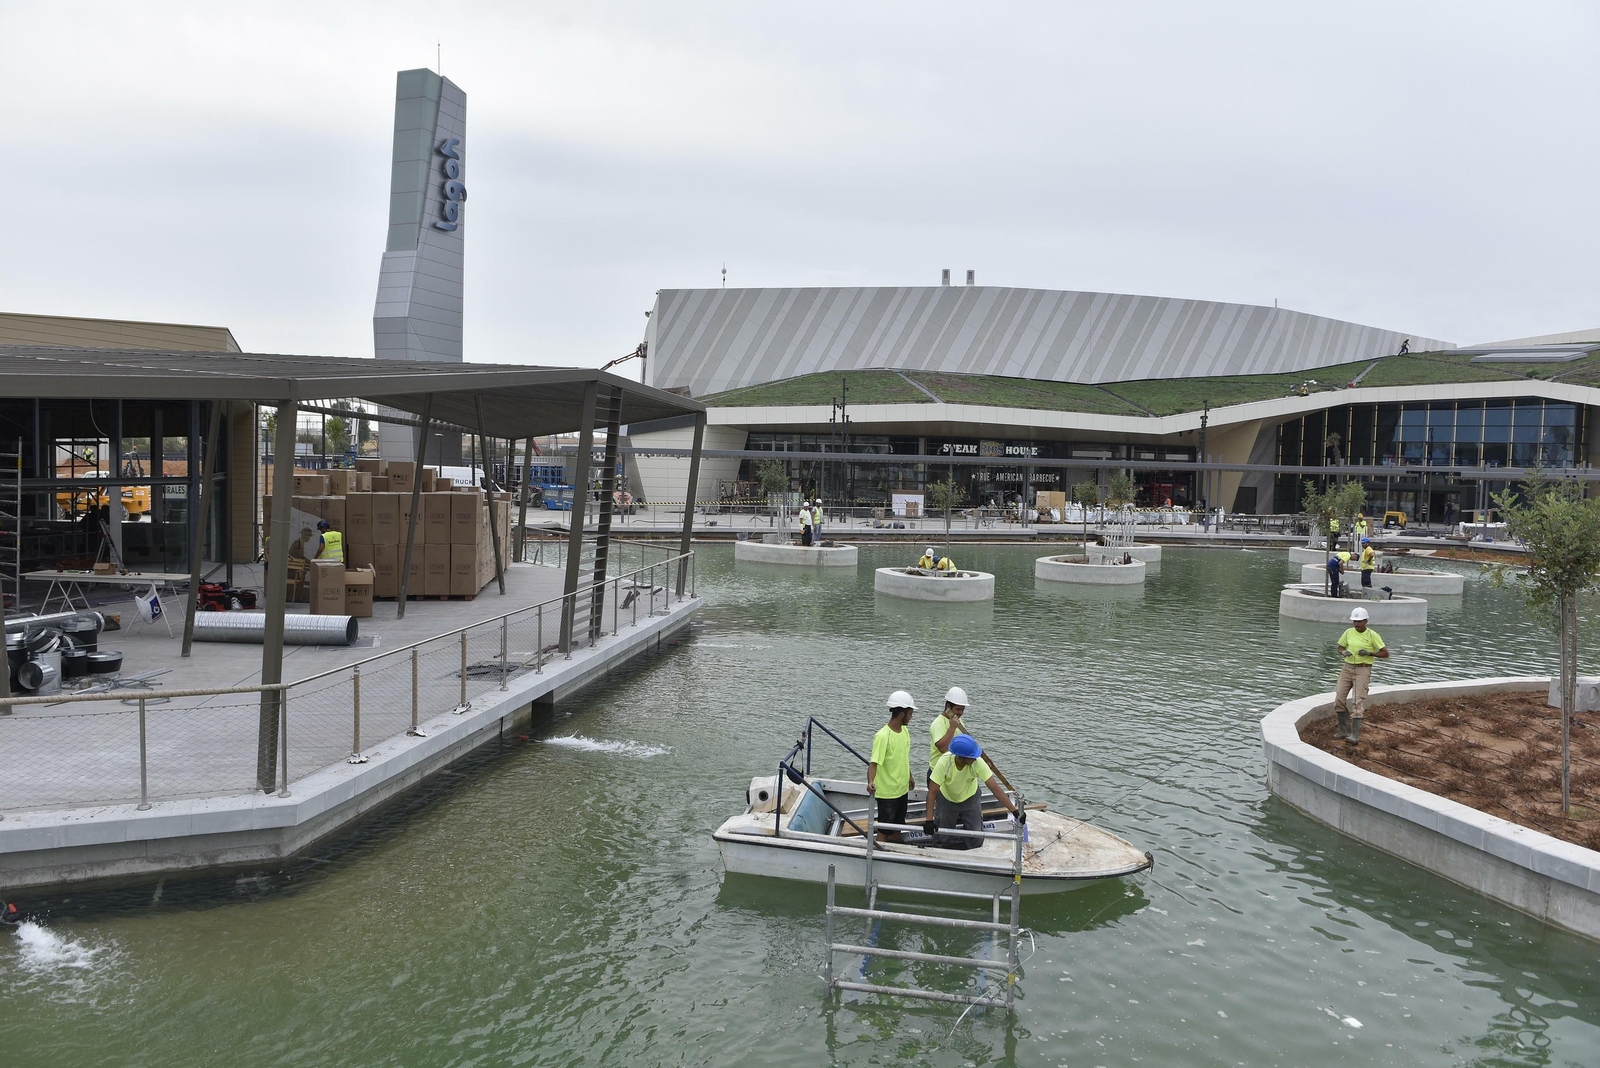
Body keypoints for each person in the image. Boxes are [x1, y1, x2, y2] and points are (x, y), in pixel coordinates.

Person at [923, 735, 1021, 849]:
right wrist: (929, 820)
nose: (975, 758)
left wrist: (1014, 810)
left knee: (976, 835)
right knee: (942, 835)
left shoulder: (977, 762)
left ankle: (974, 852)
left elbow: (995, 788)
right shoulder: (944, 763)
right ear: (960, 758)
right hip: (947, 799)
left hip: (970, 798)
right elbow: (932, 793)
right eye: (972, 757)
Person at [1334, 607, 1388, 744]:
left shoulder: (1372, 635)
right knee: (1339, 699)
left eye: (1359, 621)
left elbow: (1385, 653)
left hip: (1363, 669)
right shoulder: (1348, 632)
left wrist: (1370, 653)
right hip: (1347, 668)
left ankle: (1354, 735)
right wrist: (1343, 652)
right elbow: (1340, 647)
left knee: (1357, 701)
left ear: (1366, 621)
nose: (1356, 624)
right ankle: (1342, 731)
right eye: (1354, 621)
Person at [867, 691, 915, 842]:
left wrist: (910, 776)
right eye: (910, 713)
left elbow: (903, 757)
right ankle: (879, 856)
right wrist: (870, 782)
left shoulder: (905, 732)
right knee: (884, 829)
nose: (911, 717)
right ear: (902, 714)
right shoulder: (882, 736)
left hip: (902, 789)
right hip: (888, 794)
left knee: (897, 826)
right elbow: (874, 764)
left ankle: (894, 851)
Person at [926, 686, 970, 787]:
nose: (960, 713)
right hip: (937, 774)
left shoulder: (958, 721)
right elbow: (942, 748)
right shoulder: (938, 724)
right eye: (958, 709)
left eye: (962, 710)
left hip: (952, 773)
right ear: (948, 707)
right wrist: (952, 728)